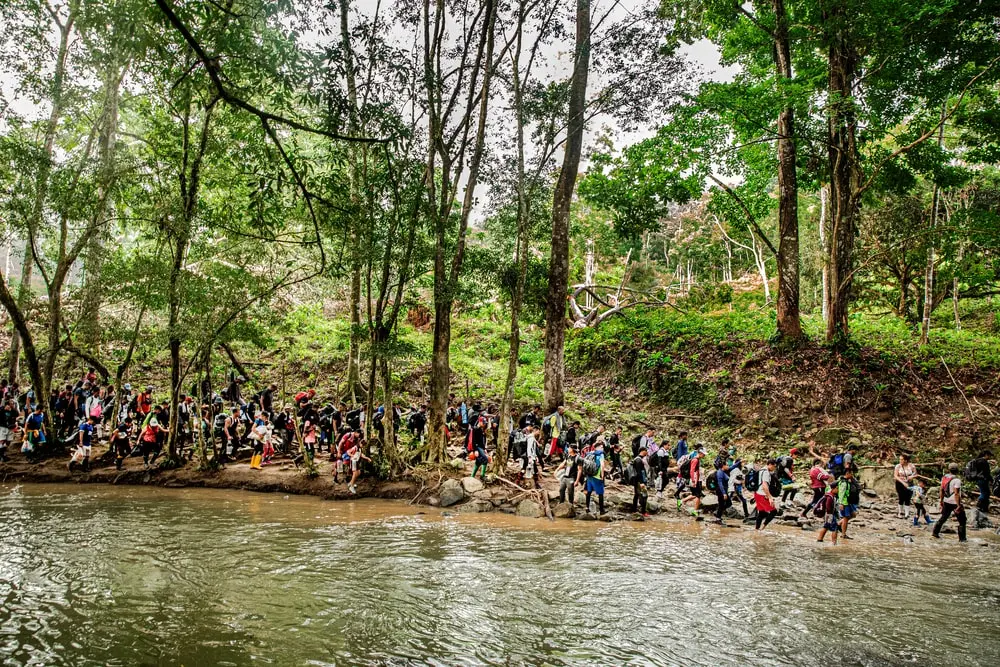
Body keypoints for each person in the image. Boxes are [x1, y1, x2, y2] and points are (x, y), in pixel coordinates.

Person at [933, 463, 967, 542]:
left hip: (946, 501)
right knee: (962, 521)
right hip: (955, 503)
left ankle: (935, 533)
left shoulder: (944, 478)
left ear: (949, 469)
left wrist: (941, 501)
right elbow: (956, 493)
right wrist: (959, 505)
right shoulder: (957, 480)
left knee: (943, 518)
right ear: (957, 470)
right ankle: (962, 539)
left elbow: (941, 490)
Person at [966, 450, 993, 519]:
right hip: (983, 479)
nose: (989, 457)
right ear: (986, 454)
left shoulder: (978, 460)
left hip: (979, 479)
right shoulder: (983, 462)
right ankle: (979, 506)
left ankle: (984, 508)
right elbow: (987, 472)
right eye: (989, 455)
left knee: (985, 493)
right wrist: (991, 480)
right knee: (984, 493)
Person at [754, 459, 780, 531]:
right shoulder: (766, 473)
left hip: (757, 493)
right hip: (762, 494)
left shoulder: (761, 470)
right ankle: (762, 528)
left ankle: (756, 529)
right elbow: (764, 485)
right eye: (774, 466)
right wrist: (770, 497)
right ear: (770, 464)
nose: (774, 468)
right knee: (774, 511)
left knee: (761, 512)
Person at [837, 468, 861, 540]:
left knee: (853, 515)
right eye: (851, 473)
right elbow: (841, 493)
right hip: (844, 503)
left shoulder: (848, 481)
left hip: (848, 502)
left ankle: (838, 524)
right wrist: (841, 503)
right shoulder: (843, 483)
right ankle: (843, 534)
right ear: (847, 473)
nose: (852, 475)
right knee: (846, 518)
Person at [584, 442, 607, 516]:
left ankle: (587, 508)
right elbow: (602, 465)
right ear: (597, 447)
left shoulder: (590, 453)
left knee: (589, 492)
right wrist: (602, 475)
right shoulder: (601, 454)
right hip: (597, 476)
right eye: (601, 447)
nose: (602, 448)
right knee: (600, 493)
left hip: (589, 475)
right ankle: (601, 510)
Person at [681, 448, 706, 516]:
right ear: (700, 453)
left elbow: (696, 471)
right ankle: (695, 510)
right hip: (694, 479)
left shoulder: (697, 460)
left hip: (696, 479)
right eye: (703, 454)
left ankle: (682, 501)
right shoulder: (695, 460)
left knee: (695, 494)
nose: (704, 456)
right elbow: (692, 470)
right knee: (698, 495)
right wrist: (693, 480)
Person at [815, 480, 840, 545]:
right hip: (829, 515)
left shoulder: (830, 495)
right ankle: (834, 543)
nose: (838, 490)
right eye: (837, 488)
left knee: (826, 526)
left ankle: (819, 539)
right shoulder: (830, 497)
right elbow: (828, 506)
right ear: (833, 488)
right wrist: (831, 515)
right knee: (835, 528)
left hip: (827, 514)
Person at [628, 446, 650, 516]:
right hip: (639, 481)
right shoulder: (638, 460)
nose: (647, 452)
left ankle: (634, 510)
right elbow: (639, 472)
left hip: (637, 481)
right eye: (646, 451)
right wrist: (642, 482)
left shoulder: (638, 459)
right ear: (643, 451)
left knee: (637, 495)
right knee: (644, 495)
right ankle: (643, 511)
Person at [893, 453, 917, 519]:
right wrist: (903, 482)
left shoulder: (911, 466)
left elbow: (915, 474)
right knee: (901, 497)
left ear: (906, 460)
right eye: (900, 459)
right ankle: (900, 512)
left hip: (909, 483)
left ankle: (907, 514)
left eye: (901, 459)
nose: (900, 461)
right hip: (900, 483)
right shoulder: (898, 466)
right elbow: (895, 475)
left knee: (908, 498)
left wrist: (912, 477)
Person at [0, 397, 17, 462]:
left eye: (13, 403)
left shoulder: (13, 411)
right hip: (2, 427)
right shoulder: (2, 409)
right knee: (2, 441)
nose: (12, 404)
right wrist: (3, 409)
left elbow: (17, 415)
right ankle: (2, 455)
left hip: (10, 427)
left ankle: (2, 454)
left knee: (8, 442)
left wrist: (13, 409)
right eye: (11, 403)